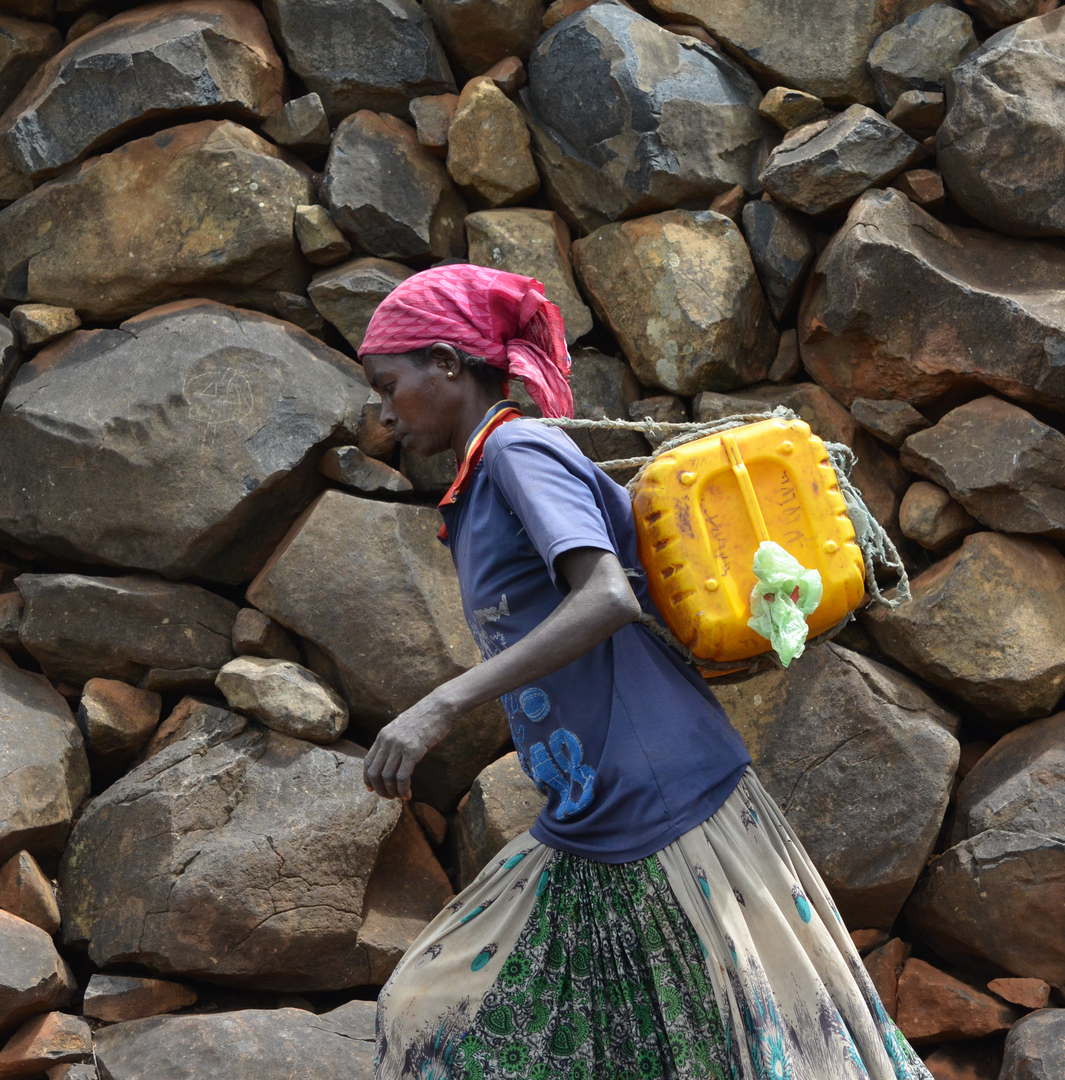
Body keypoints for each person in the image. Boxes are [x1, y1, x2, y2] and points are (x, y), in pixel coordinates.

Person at [358, 264, 932, 1080]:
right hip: (600, 814)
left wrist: (438, 706)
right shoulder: (482, 481)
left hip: (661, 807)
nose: (381, 412)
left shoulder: (516, 450)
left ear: (449, 364)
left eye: (389, 383)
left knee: (435, 1010)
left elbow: (603, 598)